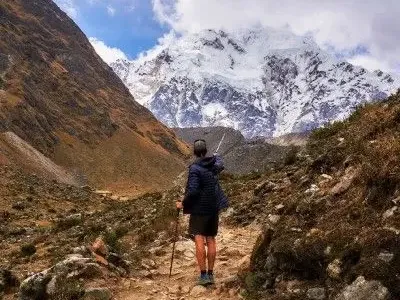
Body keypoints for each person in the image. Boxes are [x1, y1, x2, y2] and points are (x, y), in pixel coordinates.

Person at [176, 139, 228, 286]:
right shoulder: (213, 165)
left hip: (199, 210)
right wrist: (216, 156)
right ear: (205, 151)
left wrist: (182, 203)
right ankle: (211, 274)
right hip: (213, 208)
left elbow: (193, 191)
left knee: (199, 239)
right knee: (211, 239)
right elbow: (220, 164)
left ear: (195, 152)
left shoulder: (194, 168)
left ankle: (203, 275)